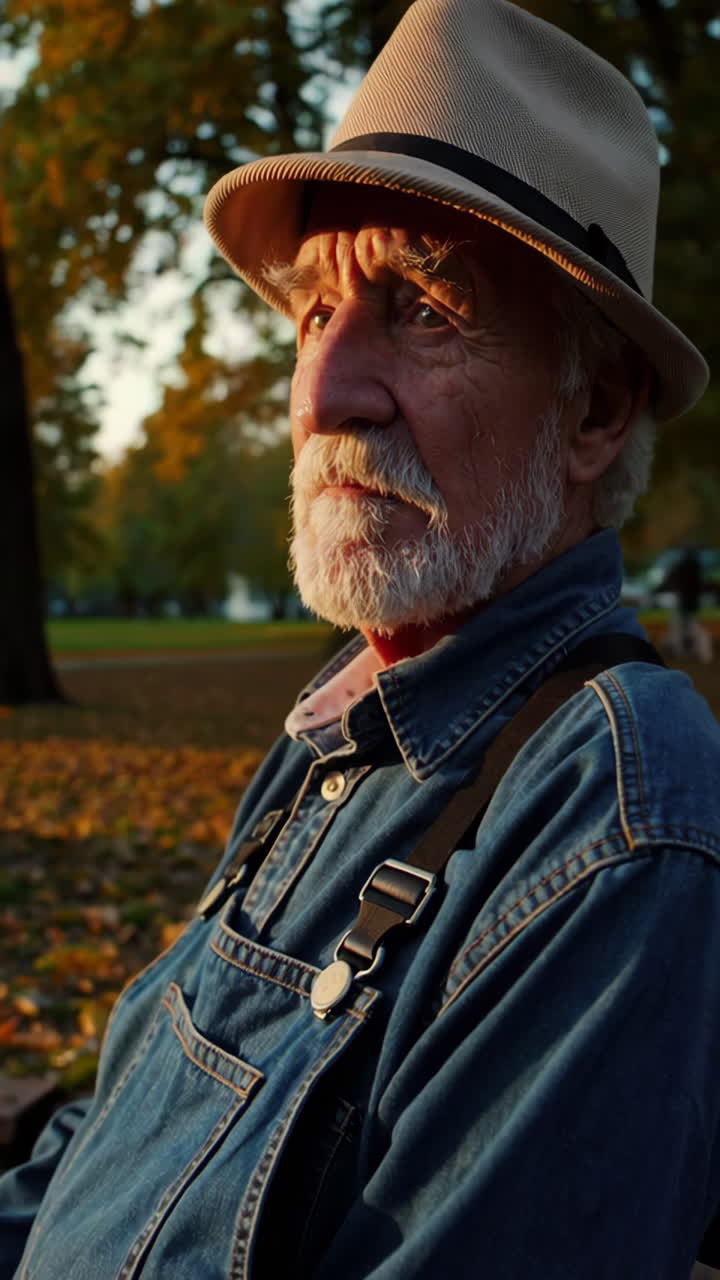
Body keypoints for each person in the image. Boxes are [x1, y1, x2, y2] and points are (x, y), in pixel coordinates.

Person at [2, 1, 720, 1276]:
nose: (325, 395)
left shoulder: (614, 808)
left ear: (596, 404)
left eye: (424, 308)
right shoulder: (338, 730)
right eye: (312, 316)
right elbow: (121, 1139)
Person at [661, 547, 713, 663]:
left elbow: (672, 581)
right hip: (691, 603)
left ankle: (688, 652)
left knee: (686, 628)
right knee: (690, 628)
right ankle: (694, 652)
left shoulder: (682, 568)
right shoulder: (696, 569)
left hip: (685, 603)